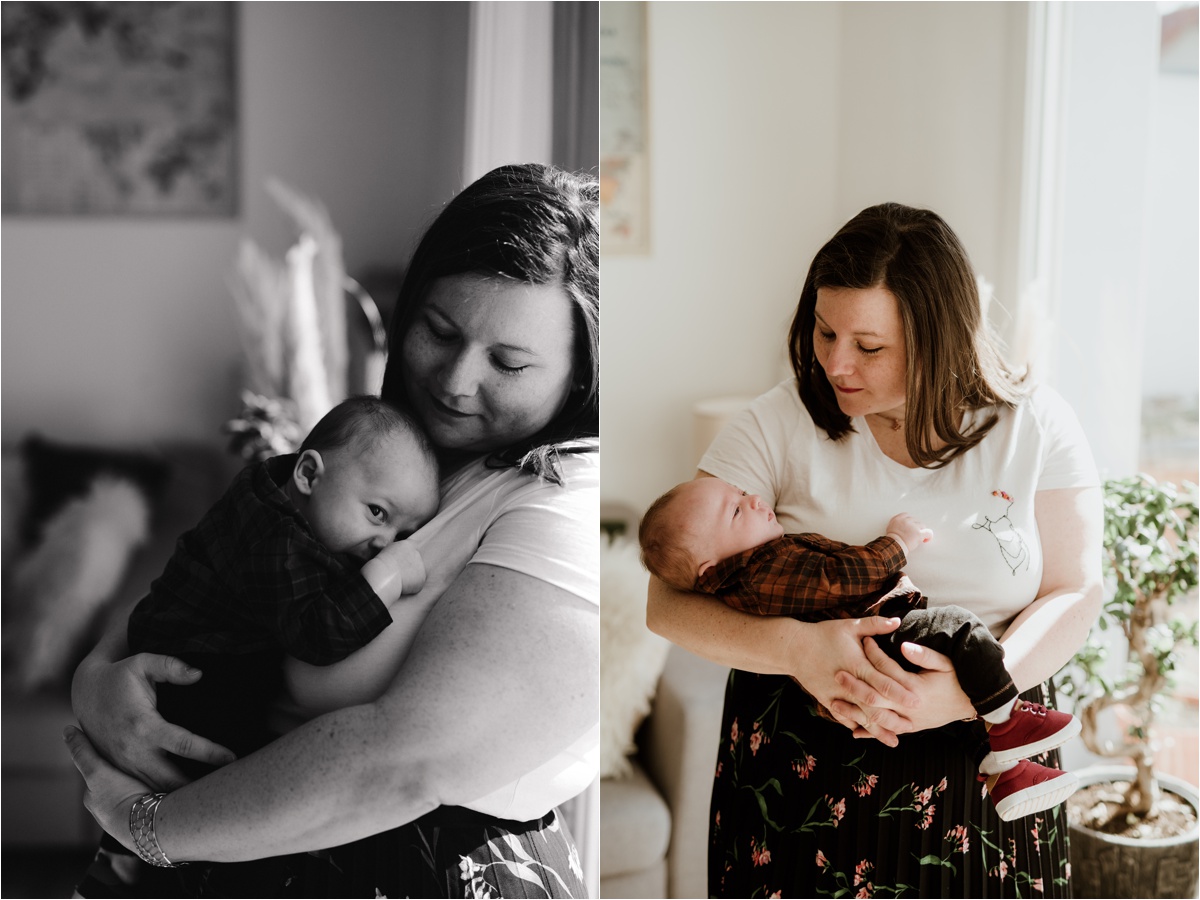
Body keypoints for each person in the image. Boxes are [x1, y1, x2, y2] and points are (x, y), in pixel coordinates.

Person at [64, 162, 599, 898]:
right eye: (438, 332)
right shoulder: (392, 455)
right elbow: (213, 572)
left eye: (508, 363)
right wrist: (97, 678)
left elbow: (408, 761)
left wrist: (150, 829)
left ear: (580, 375)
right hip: (250, 845)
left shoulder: (569, 503)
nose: (454, 382)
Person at [646, 202, 1102, 897]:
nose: (834, 362)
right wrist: (799, 652)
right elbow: (666, 604)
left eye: (869, 346)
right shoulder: (779, 421)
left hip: (987, 760)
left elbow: (1075, 591)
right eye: (826, 332)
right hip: (803, 768)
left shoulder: (1036, 427)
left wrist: (963, 694)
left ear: (939, 339)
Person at [638, 476, 1082, 822]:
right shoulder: (762, 571)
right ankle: (1010, 719)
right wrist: (897, 543)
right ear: (710, 569)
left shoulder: (755, 567)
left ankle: (1009, 777)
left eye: (741, 492)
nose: (753, 500)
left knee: (957, 722)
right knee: (960, 628)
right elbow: (844, 577)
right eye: (736, 511)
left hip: (869, 652)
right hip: (878, 639)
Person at [128, 395, 439, 774]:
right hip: (188, 678)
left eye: (404, 533)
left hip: (187, 659)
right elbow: (315, 634)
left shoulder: (275, 493)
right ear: (308, 474)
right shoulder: (277, 540)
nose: (385, 544)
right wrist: (384, 577)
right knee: (237, 773)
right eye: (377, 513)